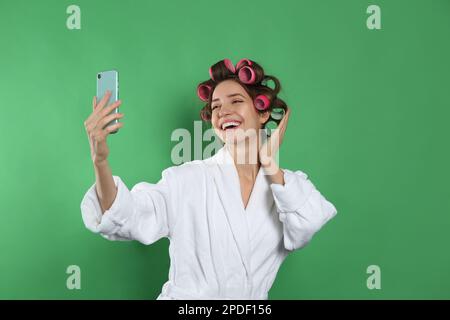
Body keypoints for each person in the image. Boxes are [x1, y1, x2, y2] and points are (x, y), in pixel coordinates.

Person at [81, 58, 338, 299]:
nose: (223, 111)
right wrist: (100, 162)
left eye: (236, 101)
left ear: (262, 113)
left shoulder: (287, 188)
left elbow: (307, 224)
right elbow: (128, 215)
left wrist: (270, 164)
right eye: (216, 106)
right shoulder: (188, 179)